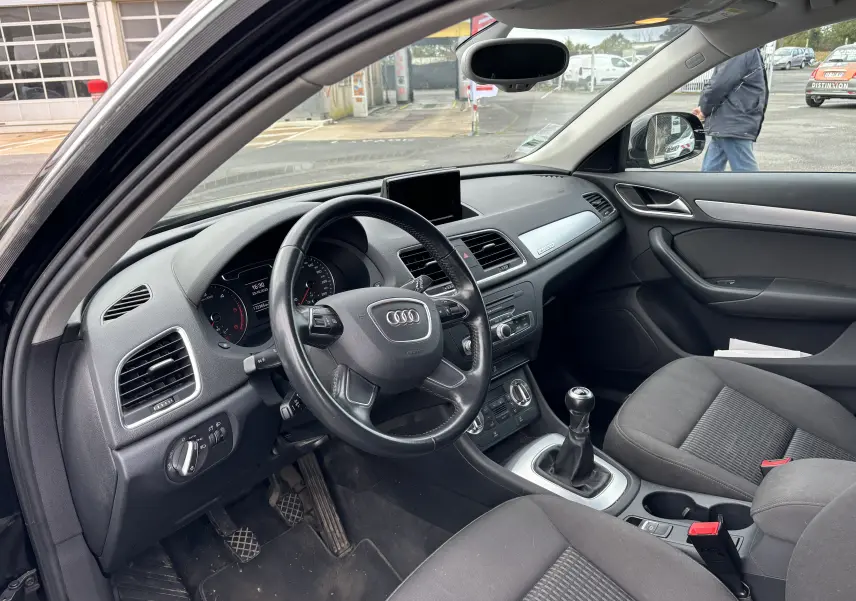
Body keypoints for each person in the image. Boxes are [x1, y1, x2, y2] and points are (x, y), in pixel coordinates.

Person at [694, 48, 768, 172]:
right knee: (712, 176)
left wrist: (704, 109)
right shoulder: (745, 50)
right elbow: (720, 85)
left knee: (746, 180)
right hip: (733, 123)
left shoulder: (743, 50)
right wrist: (704, 109)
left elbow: (719, 84)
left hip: (731, 122)